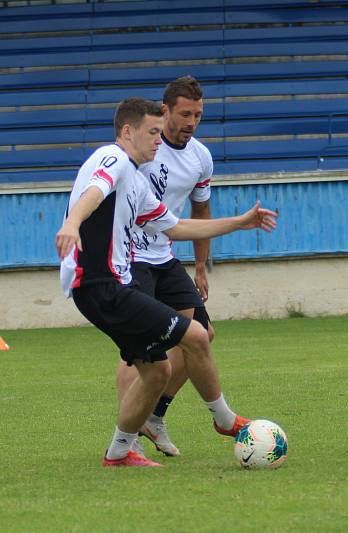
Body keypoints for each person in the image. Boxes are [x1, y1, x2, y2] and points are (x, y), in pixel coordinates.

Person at [56, 97, 277, 467]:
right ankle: (224, 420)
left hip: (110, 287)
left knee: (158, 370)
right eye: (153, 132)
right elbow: (95, 190)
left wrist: (240, 221)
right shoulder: (112, 159)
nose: (159, 141)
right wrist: (72, 222)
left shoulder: (137, 183)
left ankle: (120, 452)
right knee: (195, 335)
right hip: (101, 285)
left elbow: (177, 226)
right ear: (128, 131)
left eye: (161, 132)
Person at [114, 76, 215, 458]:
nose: (192, 121)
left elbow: (200, 210)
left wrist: (201, 266)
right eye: (185, 113)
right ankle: (127, 439)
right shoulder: (144, 148)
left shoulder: (201, 157)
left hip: (166, 257)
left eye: (199, 114)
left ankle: (153, 415)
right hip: (131, 257)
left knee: (200, 334)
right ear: (166, 109)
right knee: (138, 349)